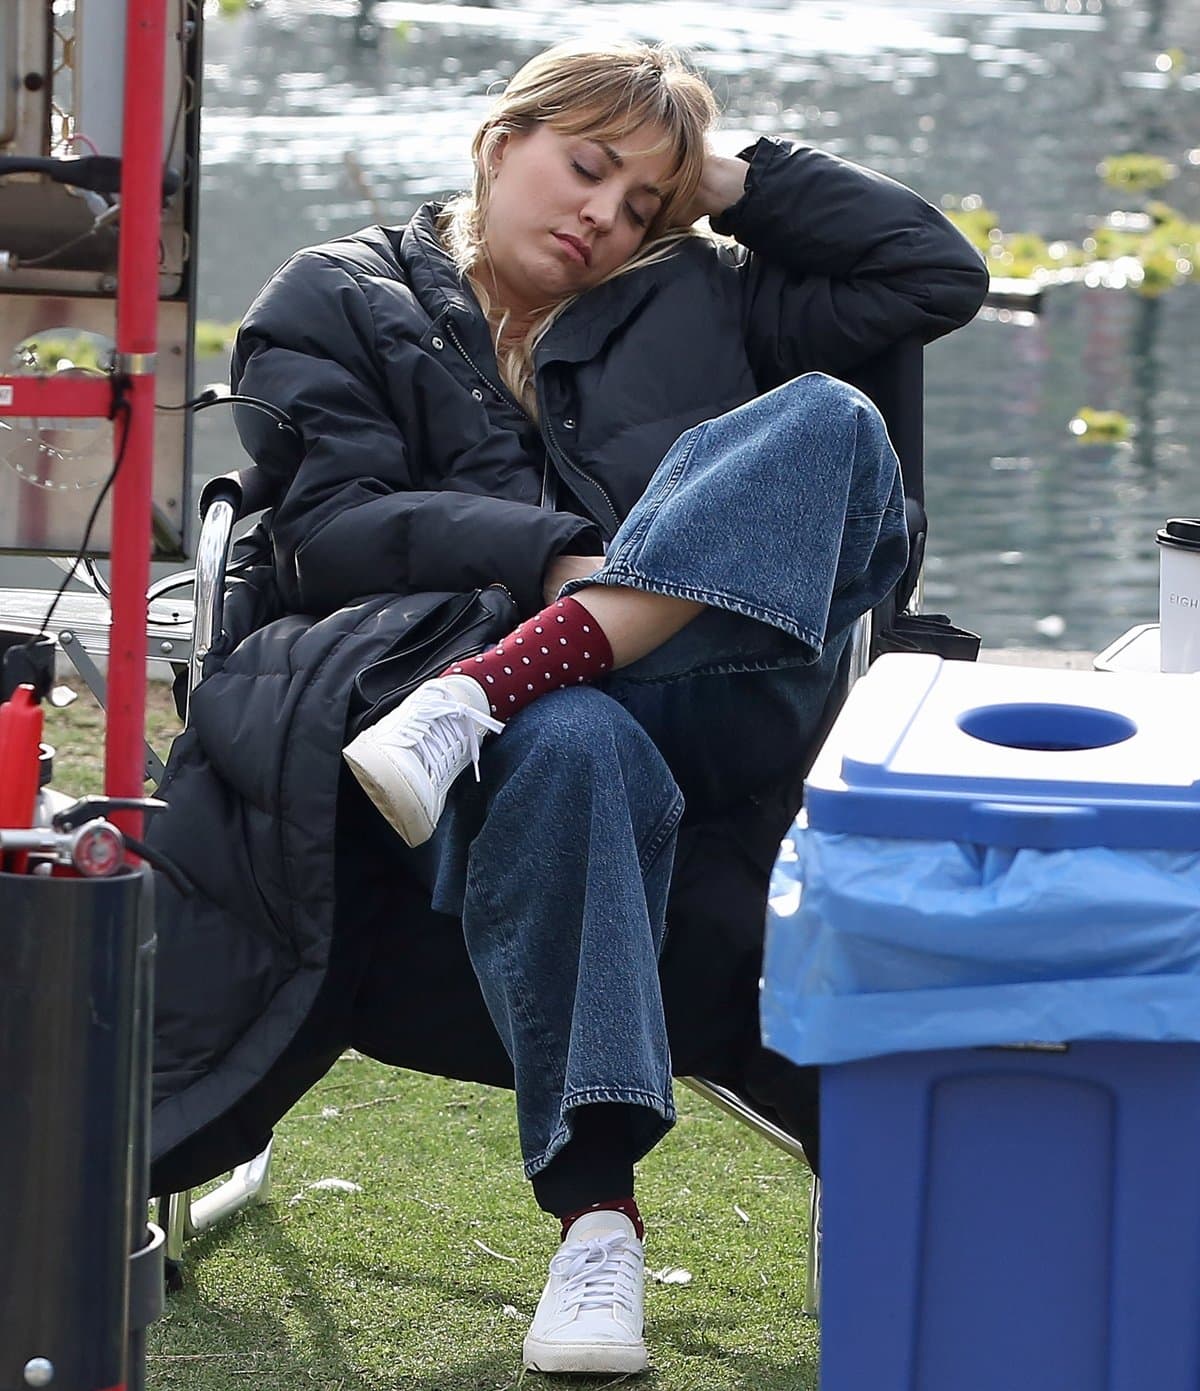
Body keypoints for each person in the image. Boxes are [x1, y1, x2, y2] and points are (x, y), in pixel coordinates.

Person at [148, 39, 987, 1377]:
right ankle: (597, 1225)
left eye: (641, 203)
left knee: (828, 420)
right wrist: (545, 557)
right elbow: (327, 532)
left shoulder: (709, 298)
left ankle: (487, 693)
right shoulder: (344, 298)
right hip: (469, 718)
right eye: (584, 165)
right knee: (573, 738)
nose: (603, 214)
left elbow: (931, 274)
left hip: (714, 704)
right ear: (499, 140)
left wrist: (720, 172)